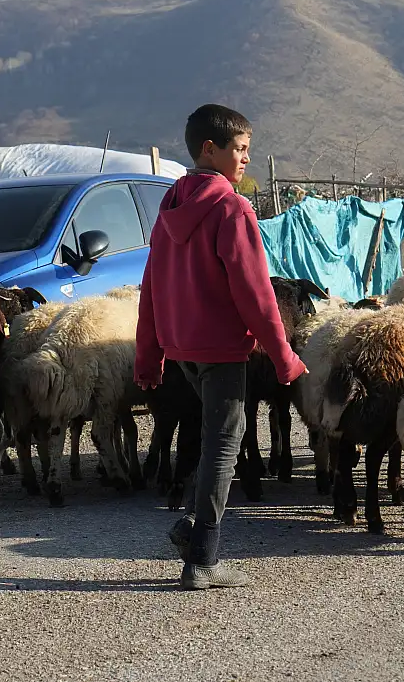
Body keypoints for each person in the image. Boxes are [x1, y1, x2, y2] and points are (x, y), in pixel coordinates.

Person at [134, 103, 308, 590]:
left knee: (214, 438)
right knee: (223, 446)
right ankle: (203, 555)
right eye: (240, 149)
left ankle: (192, 529)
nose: (246, 159)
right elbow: (255, 293)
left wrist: (149, 355)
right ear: (210, 149)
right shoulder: (232, 208)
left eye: (249, 150)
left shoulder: (171, 204)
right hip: (223, 349)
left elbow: (151, 286)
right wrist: (284, 355)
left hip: (182, 347)